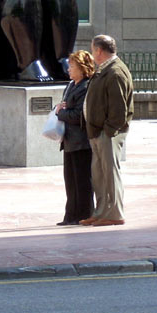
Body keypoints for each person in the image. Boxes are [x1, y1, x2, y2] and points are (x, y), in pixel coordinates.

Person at [81, 34, 134, 227]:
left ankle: (115, 213)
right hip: (97, 132)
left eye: (92, 49)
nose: (92, 54)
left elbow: (118, 109)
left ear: (99, 50)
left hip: (108, 134)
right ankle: (101, 212)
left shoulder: (115, 72)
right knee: (100, 175)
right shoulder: (104, 70)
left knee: (110, 174)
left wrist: (109, 131)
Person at [55, 50, 95, 226]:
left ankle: (83, 214)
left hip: (81, 142)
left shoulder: (86, 87)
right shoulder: (71, 85)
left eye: (72, 66)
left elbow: (79, 115)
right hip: (69, 140)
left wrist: (61, 112)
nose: (69, 69)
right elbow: (66, 107)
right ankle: (70, 215)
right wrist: (61, 108)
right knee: (70, 181)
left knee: (82, 181)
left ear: (82, 68)